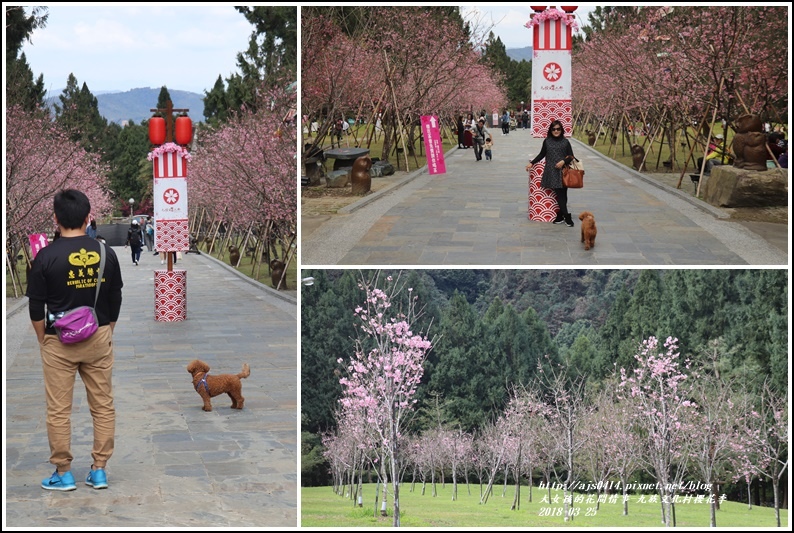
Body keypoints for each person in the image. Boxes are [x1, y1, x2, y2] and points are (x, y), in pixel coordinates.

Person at [25, 188, 123, 491]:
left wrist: (44, 339)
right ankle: (100, 469)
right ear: (88, 217)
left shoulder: (45, 257)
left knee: (58, 409)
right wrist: (108, 330)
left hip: (58, 342)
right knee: (103, 405)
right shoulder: (106, 252)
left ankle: (64, 472)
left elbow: (35, 307)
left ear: (55, 219)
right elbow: (115, 298)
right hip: (98, 337)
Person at [526, 120, 577, 226]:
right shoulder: (547, 141)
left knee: (563, 195)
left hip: (563, 172)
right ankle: (566, 217)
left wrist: (563, 161)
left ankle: (560, 215)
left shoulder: (565, 142)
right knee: (560, 195)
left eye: (558, 129)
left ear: (561, 130)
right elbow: (542, 154)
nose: (556, 131)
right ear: (550, 130)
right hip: (552, 172)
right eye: (554, 129)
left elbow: (571, 156)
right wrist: (532, 163)